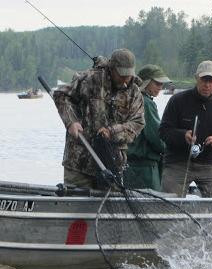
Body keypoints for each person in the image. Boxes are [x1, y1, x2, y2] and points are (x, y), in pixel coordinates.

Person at [53, 48, 145, 189]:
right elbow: (61, 95)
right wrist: (71, 121)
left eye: (128, 75)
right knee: (75, 206)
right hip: (80, 161)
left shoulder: (134, 93)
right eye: (121, 75)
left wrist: (112, 132)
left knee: (109, 207)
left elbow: (137, 123)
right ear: (111, 69)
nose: (125, 79)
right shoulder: (89, 79)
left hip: (111, 164)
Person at [159, 60, 212, 197]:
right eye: (204, 80)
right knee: (169, 204)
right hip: (177, 163)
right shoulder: (177, 101)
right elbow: (163, 131)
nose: (207, 85)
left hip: (208, 164)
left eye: (211, 81)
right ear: (196, 78)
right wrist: (182, 135)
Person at [124, 64, 170, 191]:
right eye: (157, 83)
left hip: (128, 165)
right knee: (152, 206)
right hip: (145, 168)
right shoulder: (147, 103)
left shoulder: (129, 98)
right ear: (146, 83)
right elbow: (156, 137)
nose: (160, 88)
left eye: (162, 84)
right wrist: (171, 149)